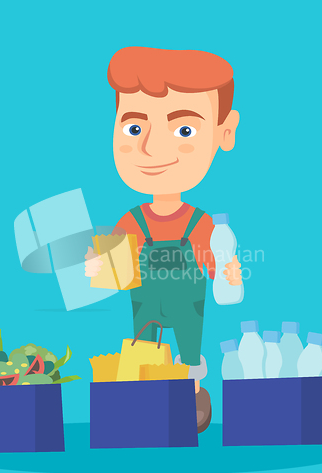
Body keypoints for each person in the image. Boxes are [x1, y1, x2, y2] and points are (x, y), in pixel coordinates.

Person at [85, 46, 242, 433]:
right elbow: (114, 276)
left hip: (189, 303)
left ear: (224, 133)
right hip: (144, 301)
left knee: (189, 351)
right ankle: (146, 403)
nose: (151, 148)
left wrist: (229, 273)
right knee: (143, 351)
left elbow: (218, 268)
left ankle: (192, 397)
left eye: (183, 130)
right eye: (134, 128)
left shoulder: (203, 225)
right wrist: (96, 266)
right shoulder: (131, 221)